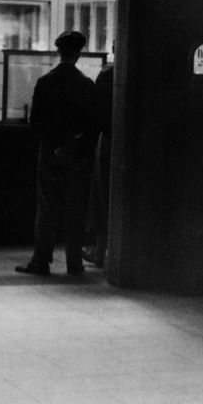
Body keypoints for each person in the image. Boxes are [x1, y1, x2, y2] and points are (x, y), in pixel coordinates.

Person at [16, 30, 96, 278]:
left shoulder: (46, 82)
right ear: (79, 53)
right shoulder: (86, 84)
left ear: (58, 52)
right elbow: (92, 125)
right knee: (76, 207)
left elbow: (35, 123)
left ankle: (41, 261)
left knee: (47, 207)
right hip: (77, 156)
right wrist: (75, 146)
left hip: (50, 154)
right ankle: (74, 263)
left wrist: (53, 146)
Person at [83, 59, 115, 268]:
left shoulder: (107, 74)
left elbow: (96, 112)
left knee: (102, 197)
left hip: (108, 141)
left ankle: (99, 249)